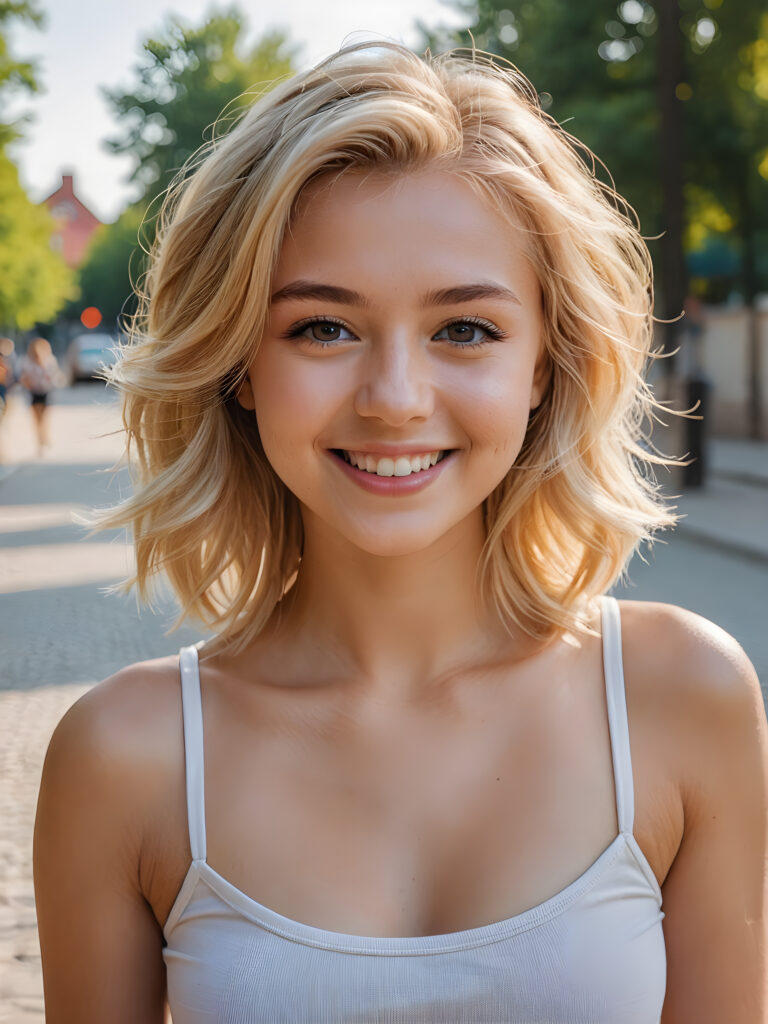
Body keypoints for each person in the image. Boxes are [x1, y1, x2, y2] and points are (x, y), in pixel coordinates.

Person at [33, 43, 767, 1023]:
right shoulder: (126, 756)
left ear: (544, 365)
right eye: (322, 329)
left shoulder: (685, 698)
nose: (393, 400)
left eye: (464, 329)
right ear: (240, 364)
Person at [18, 336, 59, 456]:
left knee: (44, 416)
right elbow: (23, 377)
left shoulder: (49, 360)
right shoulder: (26, 361)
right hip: (33, 392)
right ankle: (40, 440)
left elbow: (53, 375)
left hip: (45, 391)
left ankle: (44, 436)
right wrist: (28, 384)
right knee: (36, 417)